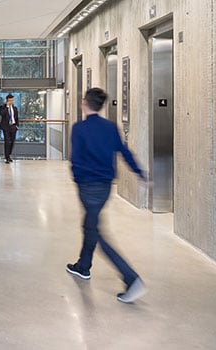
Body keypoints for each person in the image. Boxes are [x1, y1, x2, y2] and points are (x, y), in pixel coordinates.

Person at [66, 87, 148, 304]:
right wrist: (139, 173)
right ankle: (83, 266)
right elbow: (124, 152)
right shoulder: (111, 128)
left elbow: (75, 159)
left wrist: (77, 177)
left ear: (85, 103)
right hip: (104, 188)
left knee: (96, 233)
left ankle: (131, 279)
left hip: (87, 188)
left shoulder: (79, 129)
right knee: (89, 226)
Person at [0, 94, 20, 163]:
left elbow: (16, 118)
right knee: (7, 142)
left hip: (13, 127)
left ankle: (9, 155)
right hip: (6, 127)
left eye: (13, 100)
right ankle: (7, 157)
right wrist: (7, 107)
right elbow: (2, 114)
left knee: (12, 142)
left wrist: (17, 126)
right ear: (7, 100)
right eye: (10, 100)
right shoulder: (2, 107)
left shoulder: (15, 108)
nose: (12, 101)